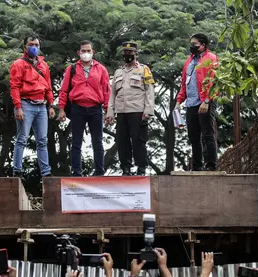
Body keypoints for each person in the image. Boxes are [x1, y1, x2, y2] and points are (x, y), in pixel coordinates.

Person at [59, 40, 111, 176]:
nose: (86, 53)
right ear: (79, 52)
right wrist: (61, 108)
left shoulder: (101, 69)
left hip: (96, 108)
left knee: (97, 141)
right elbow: (64, 90)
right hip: (78, 108)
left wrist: (108, 110)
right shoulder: (72, 68)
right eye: (83, 51)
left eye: (89, 51)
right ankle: (76, 172)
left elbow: (107, 91)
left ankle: (99, 171)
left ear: (93, 52)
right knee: (76, 142)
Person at [9, 34, 55, 179]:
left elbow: (48, 87)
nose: (34, 47)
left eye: (36, 45)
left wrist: (51, 105)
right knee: (22, 138)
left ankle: (46, 173)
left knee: (42, 140)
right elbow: (14, 87)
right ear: (25, 47)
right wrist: (18, 106)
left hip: (41, 105)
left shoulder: (44, 65)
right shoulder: (18, 64)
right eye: (31, 44)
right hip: (25, 103)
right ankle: (17, 170)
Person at [106, 41, 155, 176]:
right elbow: (113, 94)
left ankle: (141, 167)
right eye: (125, 53)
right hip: (121, 112)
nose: (127, 55)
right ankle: (126, 168)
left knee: (138, 140)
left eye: (130, 53)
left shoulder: (144, 70)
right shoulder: (118, 72)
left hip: (137, 111)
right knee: (122, 141)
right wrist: (110, 112)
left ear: (136, 54)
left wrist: (148, 111)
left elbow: (149, 91)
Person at [175, 33, 218, 171]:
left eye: (195, 44)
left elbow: (213, 81)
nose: (192, 47)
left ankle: (211, 165)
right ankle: (197, 166)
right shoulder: (189, 61)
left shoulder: (211, 58)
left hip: (204, 101)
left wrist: (206, 101)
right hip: (191, 103)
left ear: (203, 45)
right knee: (193, 137)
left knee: (207, 134)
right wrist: (179, 100)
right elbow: (184, 83)